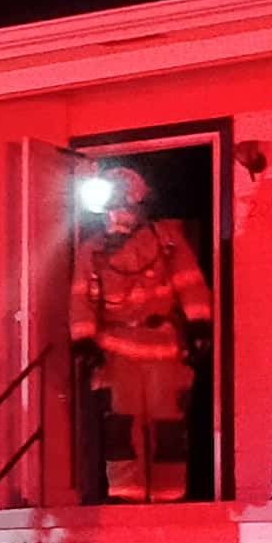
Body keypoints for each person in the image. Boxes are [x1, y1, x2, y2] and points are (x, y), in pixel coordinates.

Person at [71, 166, 215, 502]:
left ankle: (169, 497)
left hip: (163, 350)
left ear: (139, 205)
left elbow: (190, 283)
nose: (116, 215)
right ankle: (126, 497)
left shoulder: (166, 240)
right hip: (116, 353)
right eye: (110, 208)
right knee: (121, 428)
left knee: (168, 427)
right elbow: (80, 300)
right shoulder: (91, 252)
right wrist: (84, 342)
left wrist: (199, 326)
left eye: (123, 206)